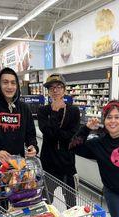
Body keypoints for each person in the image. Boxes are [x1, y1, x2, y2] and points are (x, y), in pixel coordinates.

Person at [0, 67, 38, 164]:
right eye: (5, 82)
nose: (10, 86)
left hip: (18, 165)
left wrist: (32, 145)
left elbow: (30, 134)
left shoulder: (24, 108)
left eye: (13, 83)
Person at [37, 74, 80, 207]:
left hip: (67, 164)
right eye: (51, 87)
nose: (55, 90)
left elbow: (71, 136)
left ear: (64, 90)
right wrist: (55, 112)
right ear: (48, 91)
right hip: (48, 164)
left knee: (71, 203)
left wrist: (54, 132)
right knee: (46, 203)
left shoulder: (73, 111)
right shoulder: (43, 111)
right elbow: (47, 133)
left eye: (59, 87)